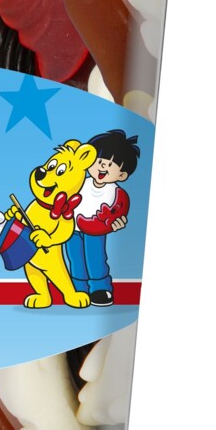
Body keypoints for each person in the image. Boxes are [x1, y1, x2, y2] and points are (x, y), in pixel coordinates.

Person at [65, 129, 139, 307]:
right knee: (75, 259)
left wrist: (116, 223)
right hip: (71, 229)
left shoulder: (115, 192)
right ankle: (78, 288)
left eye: (110, 164)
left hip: (96, 231)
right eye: (99, 161)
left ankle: (100, 288)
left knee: (95, 258)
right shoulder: (79, 182)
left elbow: (118, 213)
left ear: (122, 175)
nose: (103, 166)